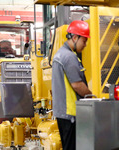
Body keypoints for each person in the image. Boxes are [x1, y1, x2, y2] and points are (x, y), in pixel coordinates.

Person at [52, 20, 92, 150]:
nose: (85, 45)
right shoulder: (69, 57)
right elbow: (77, 85)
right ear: (75, 37)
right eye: (84, 41)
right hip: (70, 114)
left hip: (63, 112)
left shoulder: (60, 54)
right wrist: (92, 97)